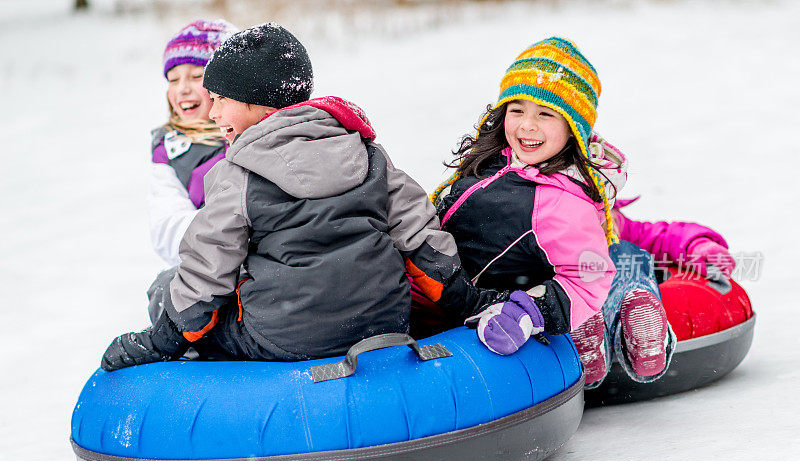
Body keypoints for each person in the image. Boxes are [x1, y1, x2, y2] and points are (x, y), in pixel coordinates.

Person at [101, 23, 508, 371]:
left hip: (286, 338)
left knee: (166, 285)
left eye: (221, 100)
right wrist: (464, 301)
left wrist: (161, 341)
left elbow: (207, 274)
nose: (212, 114)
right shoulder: (365, 151)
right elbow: (420, 238)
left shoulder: (238, 175)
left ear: (256, 104)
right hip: (386, 320)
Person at [431, 37, 685, 386]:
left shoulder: (563, 200)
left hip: (511, 296)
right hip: (470, 283)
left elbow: (593, 272)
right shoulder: (495, 162)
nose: (526, 125)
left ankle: (611, 329)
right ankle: (589, 327)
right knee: (624, 254)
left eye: (545, 113)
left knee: (627, 256)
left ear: (573, 128)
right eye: (516, 109)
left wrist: (533, 309)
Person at [149, 19, 237, 266]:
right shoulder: (169, 152)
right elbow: (167, 232)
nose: (182, 89)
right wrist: (231, 224)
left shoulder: (255, 131)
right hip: (213, 277)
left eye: (196, 76)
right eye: (173, 80)